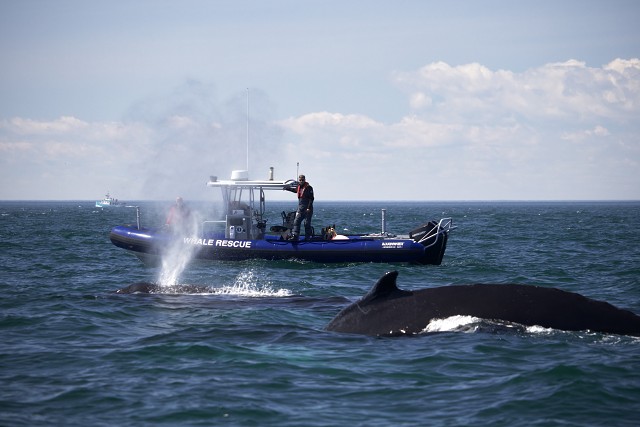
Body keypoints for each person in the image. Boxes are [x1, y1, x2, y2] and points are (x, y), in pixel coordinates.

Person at [285, 174, 314, 240]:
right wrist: (287, 188)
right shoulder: (299, 187)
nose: (301, 181)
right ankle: (295, 236)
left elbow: (311, 198)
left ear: (304, 180)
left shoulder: (309, 188)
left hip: (307, 209)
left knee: (307, 223)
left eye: (302, 180)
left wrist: (308, 208)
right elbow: (295, 190)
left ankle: (308, 237)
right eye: (300, 180)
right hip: (301, 208)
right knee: (296, 221)